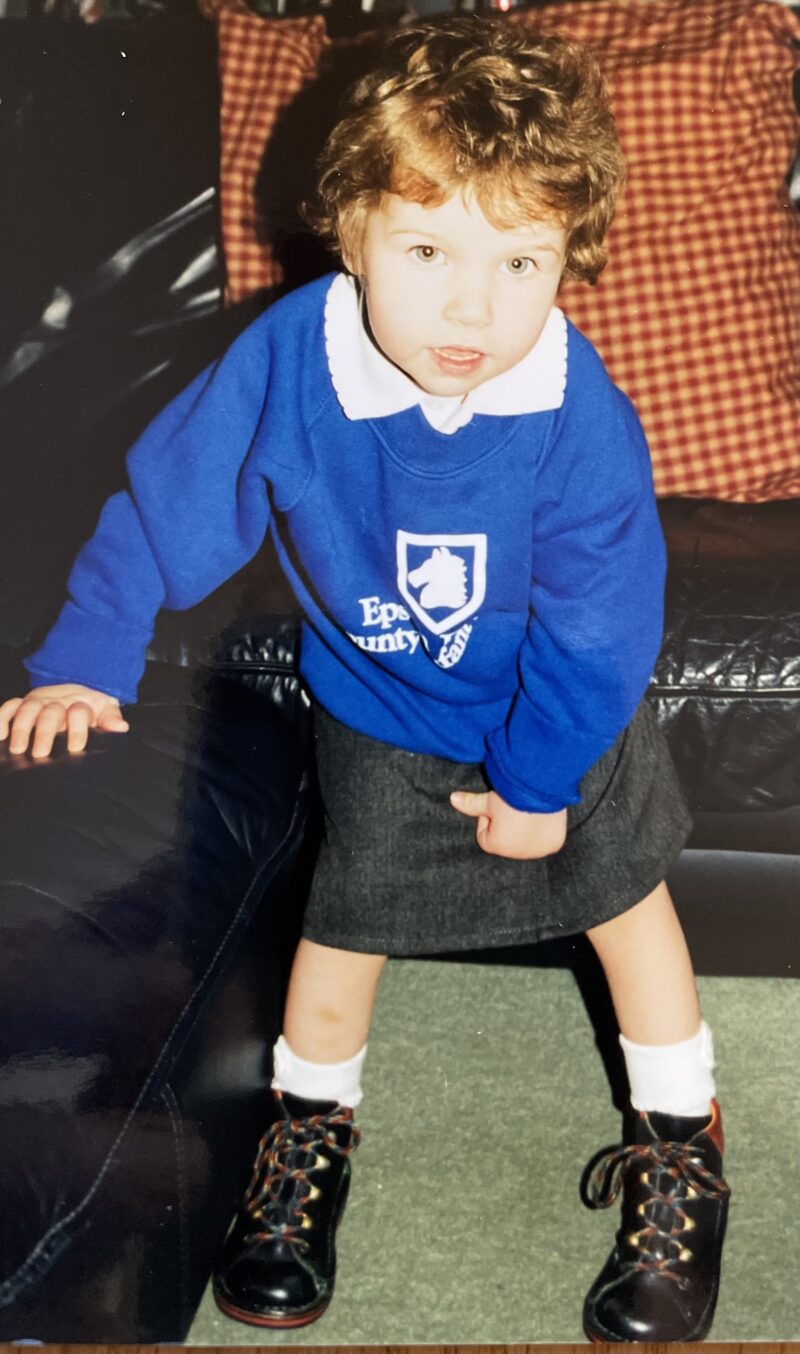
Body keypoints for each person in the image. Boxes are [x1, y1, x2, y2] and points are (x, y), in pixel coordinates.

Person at [0, 17, 730, 1343]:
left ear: (571, 257)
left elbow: (597, 637)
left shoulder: (579, 423)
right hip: (383, 710)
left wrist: (540, 781)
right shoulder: (287, 367)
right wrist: (86, 662)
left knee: (632, 920)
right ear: (349, 232)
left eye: (523, 261)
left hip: (557, 716)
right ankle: (306, 1140)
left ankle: (682, 1151)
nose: (474, 308)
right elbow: (170, 501)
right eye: (429, 250)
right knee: (340, 936)